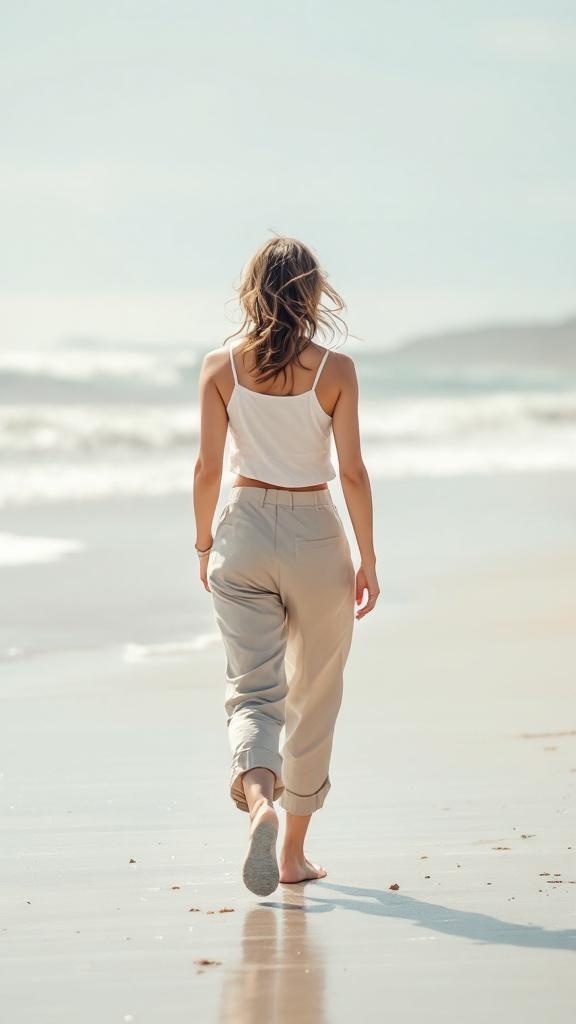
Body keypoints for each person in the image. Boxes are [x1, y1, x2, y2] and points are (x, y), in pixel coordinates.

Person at [193, 235, 379, 896]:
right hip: (315, 535)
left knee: (254, 690)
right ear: (310, 293)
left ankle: (259, 800)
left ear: (251, 289)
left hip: (240, 529)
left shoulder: (221, 366)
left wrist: (202, 545)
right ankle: (293, 853)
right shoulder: (336, 371)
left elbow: (208, 469)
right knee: (314, 693)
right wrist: (368, 558)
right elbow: (352, 472)